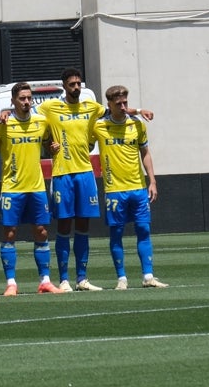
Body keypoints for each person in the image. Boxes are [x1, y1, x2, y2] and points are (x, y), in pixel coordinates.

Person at [37, 68, 151, 292]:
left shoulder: (91, 107)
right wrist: (48, 143)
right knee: (63, 226)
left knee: (83, 227)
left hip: (86, 173)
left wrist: (138, 110)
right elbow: (33, 119)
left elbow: (117, 108)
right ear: (64, 86)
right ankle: (64, 280)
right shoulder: (49, 107)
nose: (76, 87)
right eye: (72, 84)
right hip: (62, 173)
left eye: (79, 83)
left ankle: (82, 278)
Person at [0, 82, 62, 295]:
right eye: (22, 98)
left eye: (29, 98)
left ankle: (45, 281)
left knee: (42, 231)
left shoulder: (41, 121)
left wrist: (52, 147)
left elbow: (48, 143)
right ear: (13, 101)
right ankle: (11, 283)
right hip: (12, 187)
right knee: (10, 233)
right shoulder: (3, 124)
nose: (27, 102)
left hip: (36, 186)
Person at [94, 85, 167, 290]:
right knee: (116, 233)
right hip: (115, 190)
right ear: (109, 105)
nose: (124, 106)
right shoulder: (99, 126)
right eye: (119, 104)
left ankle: (148, 276)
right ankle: (122, 278)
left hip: (137, 187)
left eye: (126, 102)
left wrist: (152, 181)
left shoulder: (137, 125)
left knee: (143, 229)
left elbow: (145, 152)